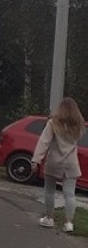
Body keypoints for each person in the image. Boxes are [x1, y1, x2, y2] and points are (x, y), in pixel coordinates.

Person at [31, 96, 85, 233]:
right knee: (70, 194)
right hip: (71, 163)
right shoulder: (79, 125)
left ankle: (49, 218)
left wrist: (36, 159)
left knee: (50, 191)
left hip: (54, 161)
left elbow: (44, 142)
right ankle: (69, 223)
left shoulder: (53, 123)